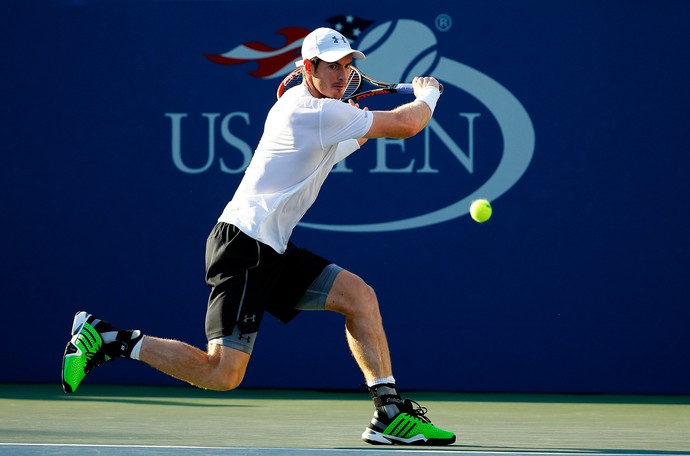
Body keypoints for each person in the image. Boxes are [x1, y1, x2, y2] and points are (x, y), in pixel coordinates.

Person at [62, 27, 454, 446]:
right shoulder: (317, 113)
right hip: (244, 245)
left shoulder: (315, 110)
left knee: (359, 296)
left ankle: (388, 413)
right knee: (222, 373)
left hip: (271, 246)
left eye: (347, 66)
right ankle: (109, 339)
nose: (343, 75)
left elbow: (346, 142)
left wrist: (373, 123)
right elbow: (408, 125)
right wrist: (427, 93)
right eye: (332, 66)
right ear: (308, 68)